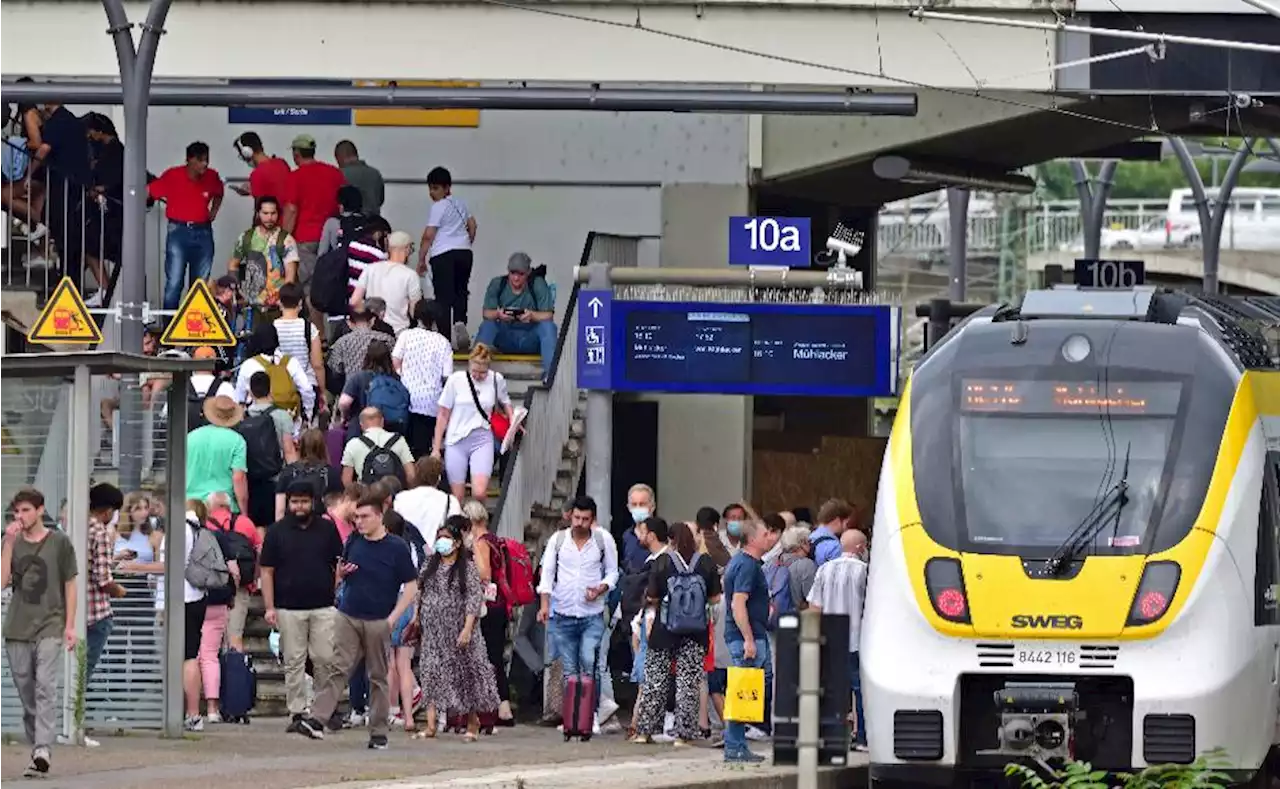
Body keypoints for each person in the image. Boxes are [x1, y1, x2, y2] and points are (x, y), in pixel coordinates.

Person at [305, 491, 418, 748]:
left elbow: (411, 586)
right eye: (356, 517)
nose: (359, 522)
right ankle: (317, 719)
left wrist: (393, 618)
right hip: (349, 613)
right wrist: (342, 575)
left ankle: (378, 732)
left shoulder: (396, 547)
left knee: (377, 676)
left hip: (379, 618)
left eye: (365, 517)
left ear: (379, 517)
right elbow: (343, 569)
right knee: (338, 667)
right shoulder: (354, 540)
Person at [0, 488, 77, 778]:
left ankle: (43, 747)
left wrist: (70, 625)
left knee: (45, 685)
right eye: (17, 511)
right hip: (17, 627)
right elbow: (2, 581)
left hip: (51, 624)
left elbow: (70, 583)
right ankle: (37, 749)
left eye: (26, 510)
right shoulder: (13, 542)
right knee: (27, 692)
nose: (21, 516)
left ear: (40, 510)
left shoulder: (60, 543)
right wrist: (8, 542)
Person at [260, 480, 344, 737]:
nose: (299, 506)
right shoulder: (276, 532)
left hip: (323, 606)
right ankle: (296, 712)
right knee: (293, 661)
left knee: (324, 659)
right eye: (294, 501)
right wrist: (269, 606)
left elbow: (338, 562)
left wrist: (336, 591)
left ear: (313, 502)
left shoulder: (327, 530)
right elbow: (266, 571)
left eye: (304, 501)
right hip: (287, 607)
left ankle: (322, 712)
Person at [632, 521, 721, 746]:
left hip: (664, 630)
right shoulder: (706, 562)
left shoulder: (662, 562)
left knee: (655, 680)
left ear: (671, 540)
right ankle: (683, 736)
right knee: (688, 683)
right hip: (695, 631)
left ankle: (645, 732)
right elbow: (715, 599)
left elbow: (652, 597)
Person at [415, 514, 500, 741]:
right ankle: (431, 725)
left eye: (446, 538)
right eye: (439, 538)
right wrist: (416, 618)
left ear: (457, 542)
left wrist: (467, 629)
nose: (441, 542)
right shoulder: (429, 565)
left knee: (466, 676)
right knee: (431, 673)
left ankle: (473, 723)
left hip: (459, 629)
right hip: (433, 630)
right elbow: (420, 592)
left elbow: (473, 598)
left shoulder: (467, 568)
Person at [536, 496, 618, 722]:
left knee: (589, 663)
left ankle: (591, 716)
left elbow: (613, 572)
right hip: (563, 612)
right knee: (569, 669)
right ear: (570, 516)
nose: (580, 523)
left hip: (592, 613)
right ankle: (573, 718)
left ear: (593, 520)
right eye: (577, 518)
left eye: (585, 519)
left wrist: (601, 588)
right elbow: (547, 575)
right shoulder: (558, 540)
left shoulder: (603, 540)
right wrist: (544, 605)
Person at [721, 519, 779, 763]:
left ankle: (736, 744)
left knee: (747, 689)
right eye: (766, 534)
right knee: (743, 691)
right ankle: (735, 746)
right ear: (753, 538)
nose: (771, 538)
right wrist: (748, 638)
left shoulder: (744, 563)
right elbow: (738, 603)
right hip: (748, 635)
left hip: (751, 633)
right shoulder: (747, 566)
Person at [807, 528, 870, 750]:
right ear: (861, 547)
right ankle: (862, 737)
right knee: (860, 690)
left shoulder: (824, 569)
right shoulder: (865, 571)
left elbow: (814, 607)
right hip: (857, 641)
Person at [147, 141, 224, 310]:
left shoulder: (212, 176)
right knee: (174, 282)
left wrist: (214, 211)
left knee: (199, 286)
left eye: (207, 160)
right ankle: (169, 329)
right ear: (189, 160)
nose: (205, 164)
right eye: (200, 160)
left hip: (203, 232)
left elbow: (219, 192)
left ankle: (193, 330)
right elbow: (149, 192)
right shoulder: (173, 175)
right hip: (178, 232)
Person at [433, 343, 512, 505]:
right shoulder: (456, 380)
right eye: (474, 371)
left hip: (482, 437)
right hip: (456, 439)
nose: (477, 376)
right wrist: (436, 447)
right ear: (469, 365)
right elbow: (443, 413)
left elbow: (506, 402)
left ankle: (479, 524)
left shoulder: (496, 379)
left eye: (482, 372)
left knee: (480, 492)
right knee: (457, 496)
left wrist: (513, 422)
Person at [464, 498, 516, 727]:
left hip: (488, 606)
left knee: (487, 657)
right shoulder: (497, 540)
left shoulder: (480, 542)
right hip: (500, 604)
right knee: (495, 655)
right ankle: (503, 707)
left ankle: (493, 707)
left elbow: (484, 573)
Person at [416, 166, 476, 350]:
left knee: (443, 297)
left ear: (446, 187)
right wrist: (466, 242)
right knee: (460, 290)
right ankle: (459, 322)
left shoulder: (438, 207)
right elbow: (472, 225)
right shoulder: (461, 203)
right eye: (431, 188)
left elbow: (429, 235)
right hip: (464, 252)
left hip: (443, 254)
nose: (432, 193)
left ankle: (444, 339)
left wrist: (421, 258)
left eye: (435, 188)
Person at [476, 252, 558, 380]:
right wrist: (498, 314)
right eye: (513, 273)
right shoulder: (498, 284)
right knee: (488, 325)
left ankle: (551, 376)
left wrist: (532, 316)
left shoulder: (537, 284)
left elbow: (548, 315)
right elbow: (486, 313)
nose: (516, 278)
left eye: (521, 274)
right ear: (508, 272)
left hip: (530, 338)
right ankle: (476, 369)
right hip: (507, 337)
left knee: (548, 327)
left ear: (528, 272)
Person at [392, 299, 454, 458]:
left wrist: (404, 375)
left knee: (403, 449)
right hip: (430, 402)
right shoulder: (443, 343)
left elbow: (395, 362)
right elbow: (447, 377)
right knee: (422, 449)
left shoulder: (406, 335)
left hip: (405, 398)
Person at [227, 195, 299, 324]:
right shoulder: (246, 237)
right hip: (251, 306)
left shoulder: (286, 240)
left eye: (273, 213)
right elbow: (233, 264)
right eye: (265, 213)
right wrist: (235, 291)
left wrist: (284, 299)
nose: (269, 217)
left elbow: (290, 274)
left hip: (278, 306)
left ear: (278, 214)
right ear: (258, 213)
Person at [85, 483, 124, 689]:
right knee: (84, 673)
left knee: (76, 671)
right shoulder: (100, 532)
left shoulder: (79, 526)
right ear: (108, 510)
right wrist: (119, 591)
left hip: (78, 611)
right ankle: (75, 717)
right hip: (97, 613)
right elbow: (103, 580)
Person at [186, 395, 249, 516]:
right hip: (222, 506)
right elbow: (238, 478)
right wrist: (244, 513)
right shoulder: (237, 441)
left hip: (191, 504)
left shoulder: (191, 437)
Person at [351, 230, 421, 335]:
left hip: (372, 331)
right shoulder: (410, 275)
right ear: (407, 249)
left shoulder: (370, 269)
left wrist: (367, 318)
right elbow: (415, 310)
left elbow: (354, 301)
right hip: (399, 332)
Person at [338, 341, 409, 443]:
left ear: (367, 357)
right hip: (391, 433)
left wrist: (344, 417)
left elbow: (344, 402)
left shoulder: (359, 377)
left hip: (361, 431)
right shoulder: (397, 379)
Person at [275, 428, 343, 521]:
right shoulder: (331, 473)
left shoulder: (288, 471)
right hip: (321, 526)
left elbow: (280, 510)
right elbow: (338, 509)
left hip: (292, 525)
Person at [393, 456, 461, 547]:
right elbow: (456, 531)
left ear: (416, 475)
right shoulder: (451, 501)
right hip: (438, 557)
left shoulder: (400, 498)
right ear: (439, 478)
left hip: (407, 555)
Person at [341, 407, 417, 487]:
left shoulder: (352, 444)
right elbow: (411, 475)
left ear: (361, 424)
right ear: (382, 421)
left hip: (367, 495)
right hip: (393, 493)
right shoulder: (399, 440)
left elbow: (346, 480)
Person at [334, 140, 384, 216]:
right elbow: (380, 200)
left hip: (351, 223)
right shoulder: (375, 173)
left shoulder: (339, 175)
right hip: (375, 223)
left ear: (339, 157)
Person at [810, 498, 856, 567]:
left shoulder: (810, 537)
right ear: (837, 521)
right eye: (847, 523)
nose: (847, 528)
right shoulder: (834, 547)